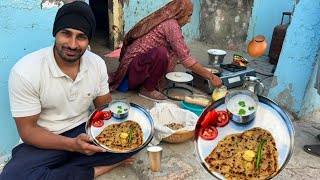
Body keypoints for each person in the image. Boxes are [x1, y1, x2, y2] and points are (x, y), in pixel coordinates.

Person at [0, 1, 137, 180]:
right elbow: (28, 132)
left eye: (81, 37)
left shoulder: (96, 64)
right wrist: (73, 145)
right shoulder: (26, 71)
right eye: (66, 34)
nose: (72, 44)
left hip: (85, 130)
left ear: (88, 39)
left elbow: (104, 109)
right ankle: (95, 169)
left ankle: (63, 170)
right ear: (55, 33)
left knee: (135, 139)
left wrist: (114, 132)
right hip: (46, 138)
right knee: (13, 176)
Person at [108, 0, 223, 101]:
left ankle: (148, 82)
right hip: (133, 68)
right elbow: (186, 59)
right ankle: (147, 89)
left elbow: (182, 51)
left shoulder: (170, 23)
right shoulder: (171, 25)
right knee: (161, 53)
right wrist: (211, 76)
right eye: (188, 15)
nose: (189, 20)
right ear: (179, 14)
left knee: (172, 51)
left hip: (137, 64)